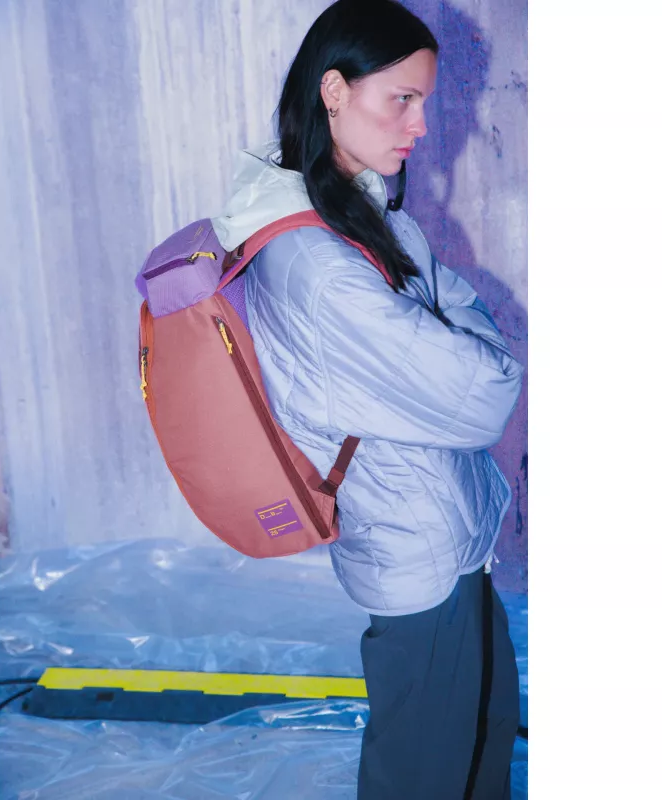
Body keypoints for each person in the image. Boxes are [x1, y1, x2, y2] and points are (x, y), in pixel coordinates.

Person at [211, 0, 524, 797]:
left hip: (443, 528)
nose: (421, 126)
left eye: (425, 100)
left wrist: (459, 330)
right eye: (402, 99)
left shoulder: (349, 210)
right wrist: (470, 337)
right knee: (425, 774)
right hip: (414, 543)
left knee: (481, 744)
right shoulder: (320, 266)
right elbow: (487, 393)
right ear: (334, 91)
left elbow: (455, 313)